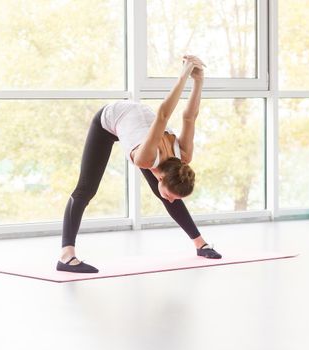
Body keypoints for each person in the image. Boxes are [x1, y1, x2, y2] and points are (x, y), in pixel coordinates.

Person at [57, 55, 222, 273]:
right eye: (173, 194)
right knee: (86, 189)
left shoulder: (183, 155)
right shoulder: (146, 157)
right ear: (161, 176)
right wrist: (184, 75)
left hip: (135, 120)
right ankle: (66, 256)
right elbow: (163, 114)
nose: (172, 199)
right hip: (109, 120)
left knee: (164, 193)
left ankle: (200, 244)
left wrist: (199, 81)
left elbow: (190, 118)